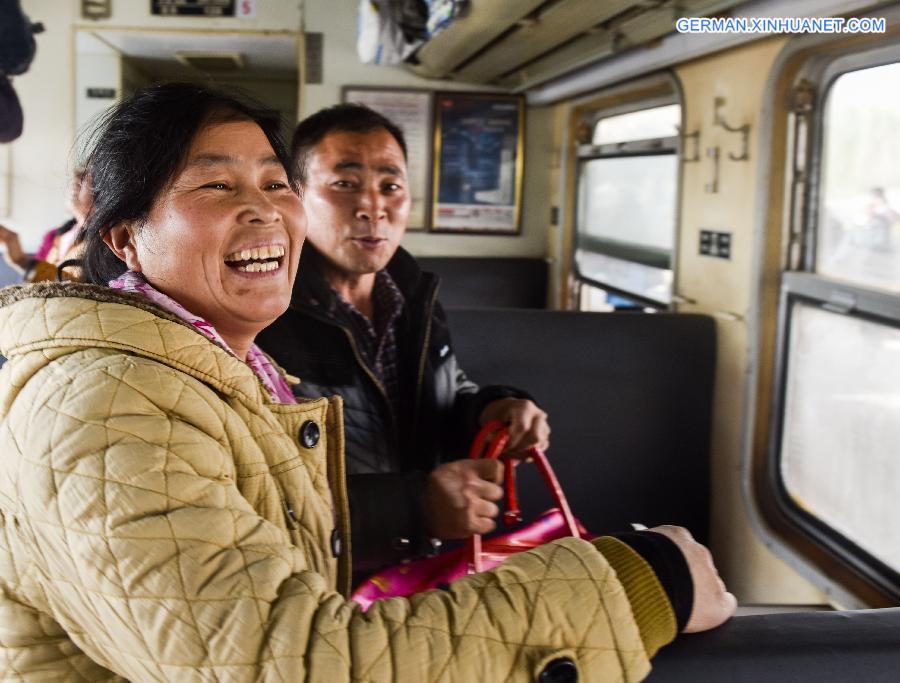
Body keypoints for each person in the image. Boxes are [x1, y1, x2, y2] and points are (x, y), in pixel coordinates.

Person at [0, 83, 735, 681]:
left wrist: (492, 405)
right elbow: (281, 656)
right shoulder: (113, 404)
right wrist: (635, 583)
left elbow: (426, 401)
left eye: (272, 182)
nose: (261, 207)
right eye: (217, 185)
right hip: (361, 592)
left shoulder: (258, 343)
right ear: (125, 236)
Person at [257, 104, 551, 580]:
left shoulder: (414, 296)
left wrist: (494, 412)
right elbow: (261, 493)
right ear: (296, 197)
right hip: (323, 581)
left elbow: (442, 401)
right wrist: (417, 507)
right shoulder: (266, 317)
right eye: (345, 185)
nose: (373, 206)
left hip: (426, 567)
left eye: (391, 186)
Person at [0, 167, 91, 281]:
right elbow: (37, 279)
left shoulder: (103, 241)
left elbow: (76, 285)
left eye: (83, 178)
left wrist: (21, 260)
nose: (75, 180)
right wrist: (15, 250)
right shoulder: (53, 235)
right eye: (75, 177)